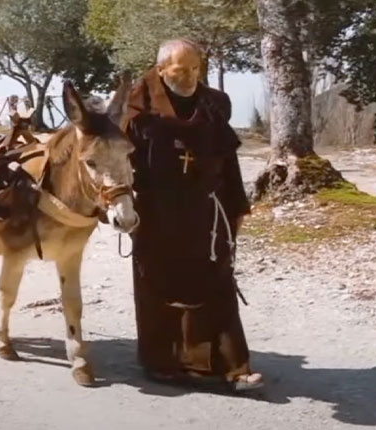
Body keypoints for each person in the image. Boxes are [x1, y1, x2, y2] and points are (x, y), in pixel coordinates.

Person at [123, 38, 263, 391]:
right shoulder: (138, 106)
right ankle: (163, 363)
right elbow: (119, 164)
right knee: (158, 286)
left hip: (206, 210)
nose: (190, 76)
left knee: (217, 282)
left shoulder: (213, 105)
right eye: (180, 70)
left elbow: (227, 162)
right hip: (156, 211)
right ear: (160, 69)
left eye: (195, 69)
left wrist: (237, 208)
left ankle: (233, 366)